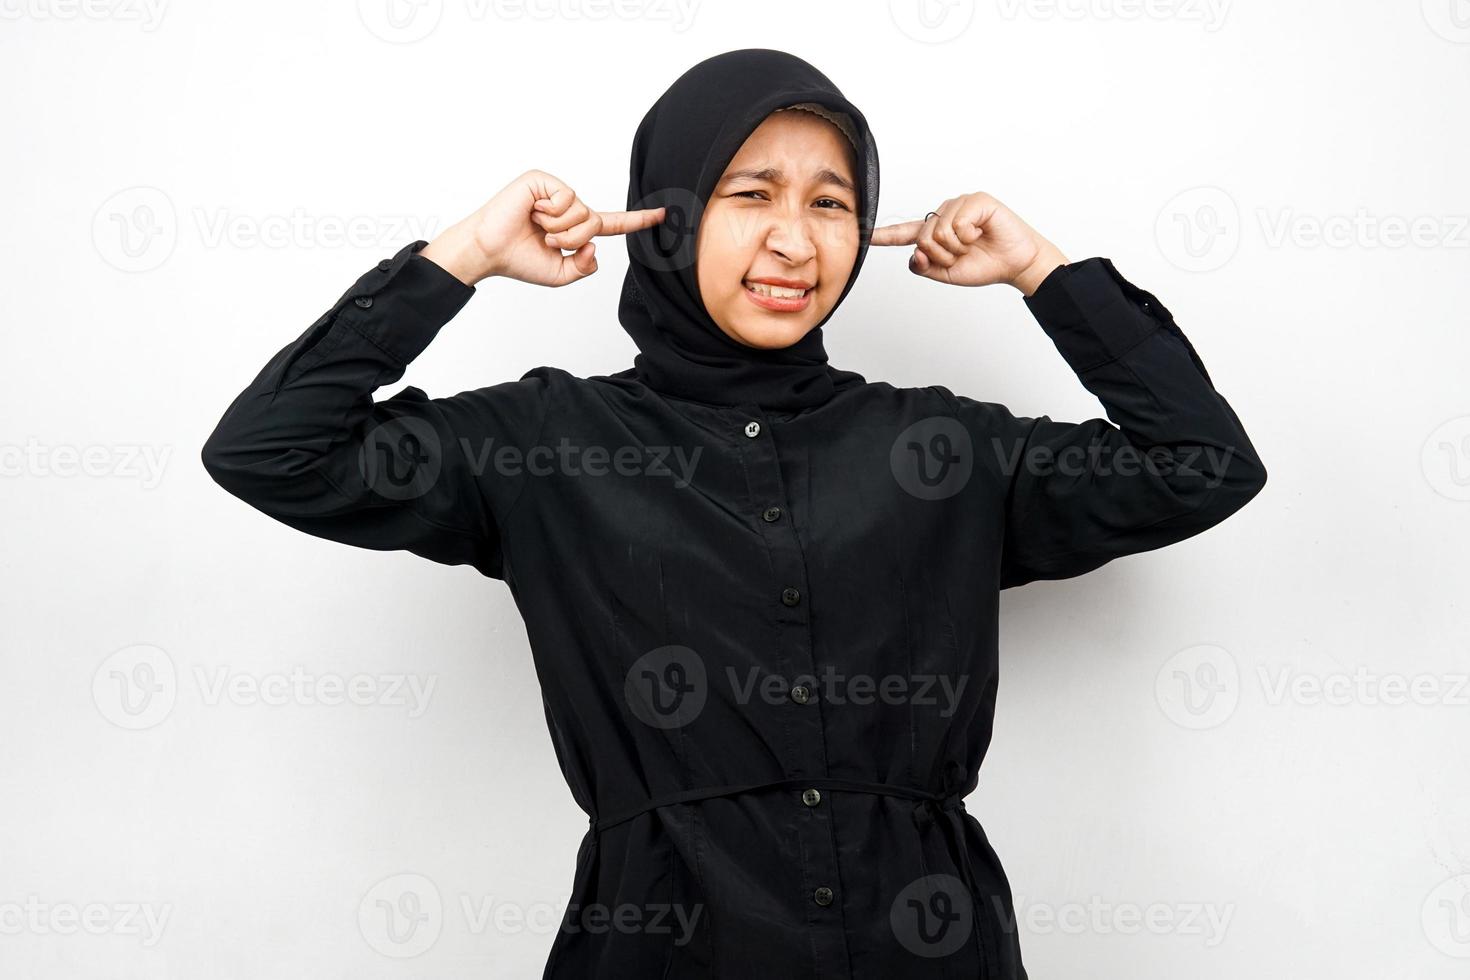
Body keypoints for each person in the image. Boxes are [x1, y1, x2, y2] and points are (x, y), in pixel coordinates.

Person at [202, 47, 1266, 980]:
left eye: (831, 202)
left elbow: (1203, 463)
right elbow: (271, 450)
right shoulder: (543, 445)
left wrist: (1044, 272)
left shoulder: (942, 452)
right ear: (669, 212)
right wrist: (463, 255)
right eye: (751, 193)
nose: (796, 243)